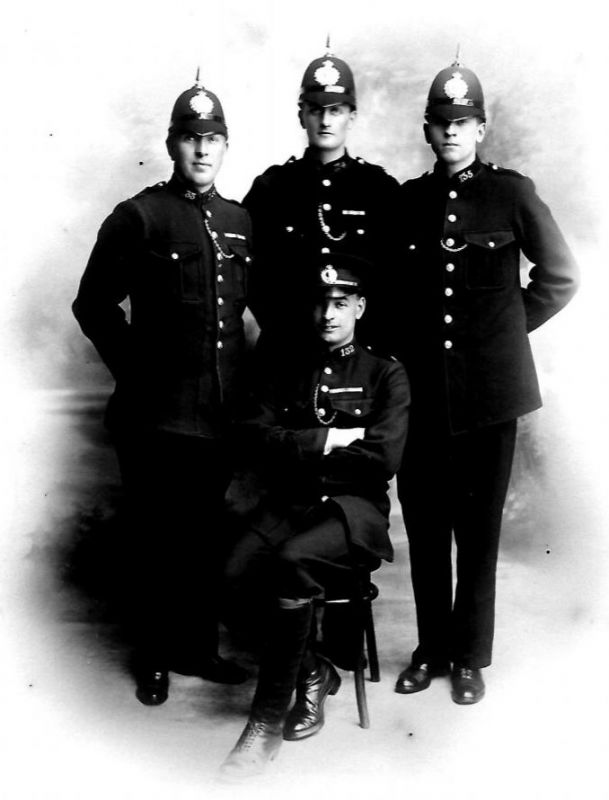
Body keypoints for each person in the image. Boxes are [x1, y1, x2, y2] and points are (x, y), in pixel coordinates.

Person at [393, 53, 579, 704]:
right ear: (426, 128)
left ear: (482, 127)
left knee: (477, 530)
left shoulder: (512, 194)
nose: (451, 132)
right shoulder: (407, 203)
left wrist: (501, 335)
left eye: (463, 121)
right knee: (424, 527)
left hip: (488, 398)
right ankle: (429, 648)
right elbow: (389, 300)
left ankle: (468, 657)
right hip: (420, 397)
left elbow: (560, 277)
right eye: (440, 121)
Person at [72, 71, 253, 705]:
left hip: (218, 419)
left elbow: (239, 321)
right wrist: (138, 372)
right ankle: (153, 657)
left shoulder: (238, 222)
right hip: (155, 418)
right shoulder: (140, 216)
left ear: (226, 147)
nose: (203, 151)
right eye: (191, 138)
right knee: (155, 542)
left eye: (214, 139)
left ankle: (198, 649)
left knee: (204, 538)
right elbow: (92, 305)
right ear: (172, 144)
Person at [219, 255, 410, 779]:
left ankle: (261, 729)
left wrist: (298, 446)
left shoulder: (386, 372)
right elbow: (257, 439)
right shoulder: (284, 369)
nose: (329, 314)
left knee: (291, 561)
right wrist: (331, 438)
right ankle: (312, 670)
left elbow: (383, 457)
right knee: (230, 574)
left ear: (360, 308)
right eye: (322, 303)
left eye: (341, 304)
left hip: (353, 512)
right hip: (292, 503)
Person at [243, 40, 399, 357]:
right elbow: (250, 275)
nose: (325, 121)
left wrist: (369, 347)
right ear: (302, 116)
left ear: (351, 117)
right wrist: (281, 328)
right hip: (289, 350)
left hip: (363, 354)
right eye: (315, 110)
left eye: (336, 111)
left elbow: (396, 277)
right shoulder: (272, 188)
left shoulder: (379, 189)